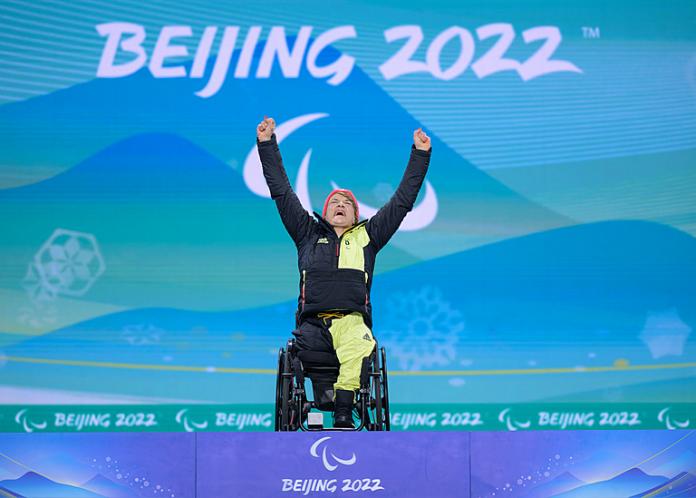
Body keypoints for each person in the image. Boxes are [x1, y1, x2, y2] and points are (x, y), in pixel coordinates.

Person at [256, 116, 431, 428]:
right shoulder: (307, 234)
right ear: (324, 213)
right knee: (315, 363)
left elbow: (403, 201)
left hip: (352, 322)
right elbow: (281, 191)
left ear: (355, 215)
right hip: (313, 326)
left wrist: (420, 155)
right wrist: (267, 145)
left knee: (359, 343)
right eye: (334, 202)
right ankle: (324, 399)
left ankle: (342, 413)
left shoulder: (369, 236)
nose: (339, 204)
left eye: (346, 203)